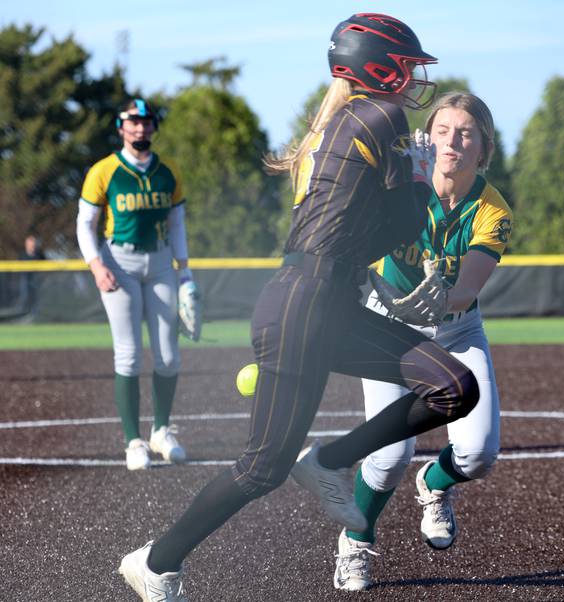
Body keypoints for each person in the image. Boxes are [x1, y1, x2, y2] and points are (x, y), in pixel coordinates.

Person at [118, 13, 479, 601]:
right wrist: (419, 181)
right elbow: (402, 226)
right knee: (261, 469)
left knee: (453, 387)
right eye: (407, 65)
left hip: (319, 302)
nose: (414, 77)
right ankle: (157, 563)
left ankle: (329, 460)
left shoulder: (344, 120)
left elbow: (355, 233)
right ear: (377, 66)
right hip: (307, 305)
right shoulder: (382, 115)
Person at [331, 92, 513, 591]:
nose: (453, 141)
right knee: (389, 456)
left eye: (466, 133)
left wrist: (443, 299)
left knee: (477, 455)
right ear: (427, 139)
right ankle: (355, 541)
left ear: (483, 147)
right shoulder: (399, 181)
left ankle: (434, 484)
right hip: (389, 325)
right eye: (443, 130)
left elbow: (468, 288)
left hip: (456, 328)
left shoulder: (492, 209)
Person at [76, 98, 193, 471]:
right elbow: (85, 224)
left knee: (168, 356)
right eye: (133, 121)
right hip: (119, 263)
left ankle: (161, 431)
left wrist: (185, 272)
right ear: (121, 126)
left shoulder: (168, 170)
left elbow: (177, 225)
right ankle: (133, 440)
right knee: (128, 353)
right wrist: (96, 265)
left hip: (160, 262)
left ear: (154, 127)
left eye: (147, 121)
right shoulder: (104, 170)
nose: (140, 127)